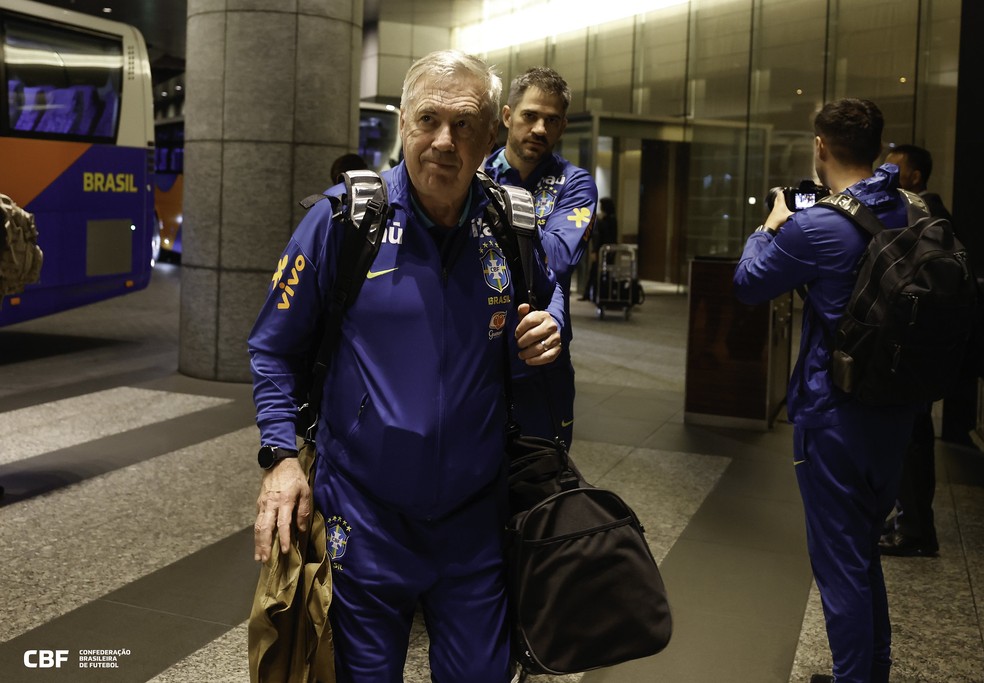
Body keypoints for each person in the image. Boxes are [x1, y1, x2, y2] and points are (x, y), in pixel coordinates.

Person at [248, 50, 565, 683]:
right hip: (364, 519)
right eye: (429, 120)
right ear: (403, 123)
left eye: (465, 124)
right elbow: (273, 348)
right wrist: (281, 458)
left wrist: (550, 327)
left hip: (475, 524)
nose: (445, 141)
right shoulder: (343, 220)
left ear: (491, 135)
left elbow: (545, 304)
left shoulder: (512, 228)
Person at [734, 98, 916, 683]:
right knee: (862, 551)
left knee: (839, 564)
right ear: (878, 147)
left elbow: (748, 283)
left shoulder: (816, 226)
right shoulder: (906, 209)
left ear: (819, 147)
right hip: (896, 409)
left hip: (835, 413)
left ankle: (853, 677)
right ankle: (871, 672)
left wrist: (770, 226)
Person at [485, 66, 598, 446]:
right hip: (477, 353)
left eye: (551, 120)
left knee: (542, 470)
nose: (539, 129)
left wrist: (497, 215)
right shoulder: (476, 172)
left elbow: (559, 258)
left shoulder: (575, 183)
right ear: (507, 116)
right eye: (530, 115)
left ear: (562, 126)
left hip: (542, 356)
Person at [877, 144, 947, 557]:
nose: (886, 174)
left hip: (916, 347)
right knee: (914, 438)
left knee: (913, 441)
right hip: (923, 347)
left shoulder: (922, 216)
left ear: (915, 176)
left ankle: (914, 529)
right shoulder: (932, 215)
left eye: (894, 168)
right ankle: (911, 519)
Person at [580, 196, 618, 301]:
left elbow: (601, 236)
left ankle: (597, 294)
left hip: (604, 250)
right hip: (604, 249)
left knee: (598, 272)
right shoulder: (608, 219)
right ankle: (591, 294)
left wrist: (594, 250)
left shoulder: (607, 220)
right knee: (595, 272)